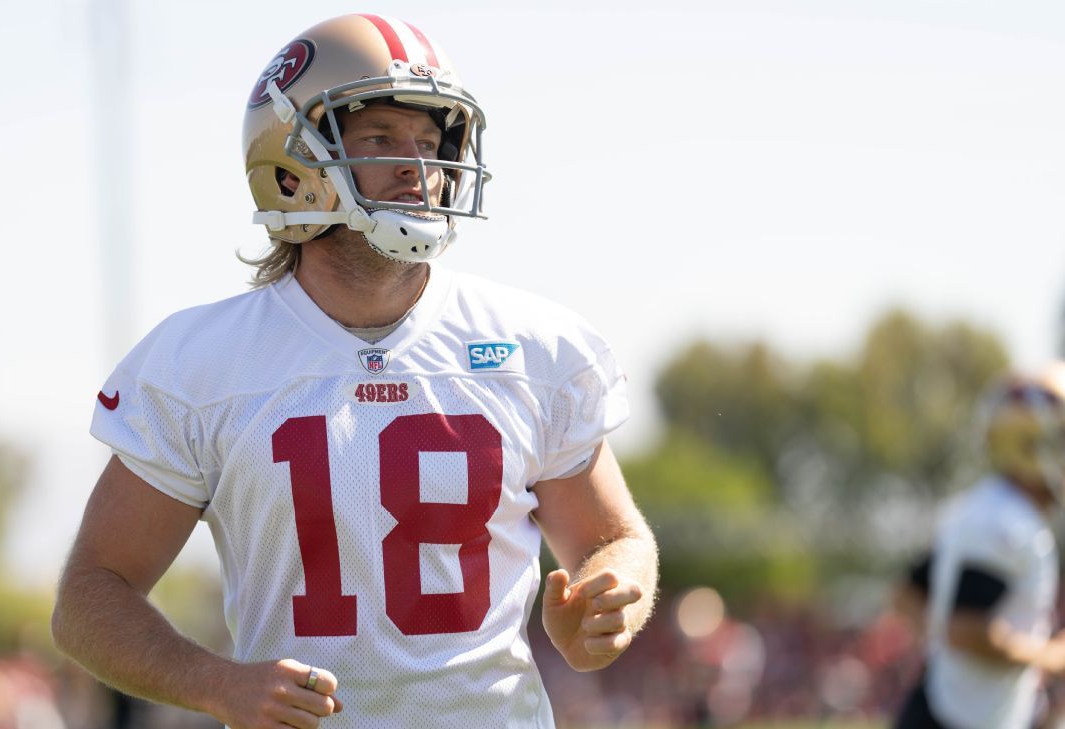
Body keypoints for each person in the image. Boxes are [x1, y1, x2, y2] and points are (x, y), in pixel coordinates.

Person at [50, 13, 658, 729]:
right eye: (380, 138)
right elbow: (92, 595)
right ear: (291, 157)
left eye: (430, 142)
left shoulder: (534, 346)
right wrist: (218, 683)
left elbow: (614, 537)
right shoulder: (201, 363)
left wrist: (605, 593)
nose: (418, 167)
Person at [893, 366, 1065, 729]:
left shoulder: (981, 509)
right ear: (1029, 444)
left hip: (947, 708)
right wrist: (1050, 656)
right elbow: (968, 629)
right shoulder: (1008, 523)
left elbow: (908, 597)